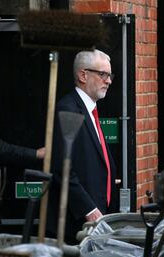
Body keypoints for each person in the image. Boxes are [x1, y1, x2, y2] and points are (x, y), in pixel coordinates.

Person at [46, 49, 118, 244]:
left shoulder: (90, 109)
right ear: (83, 75)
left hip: (97, 223)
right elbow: (62, 168)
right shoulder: (68, 108)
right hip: (76, 227)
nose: (109, 81)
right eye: (103, 74)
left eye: (110, 75)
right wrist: (89, 210)